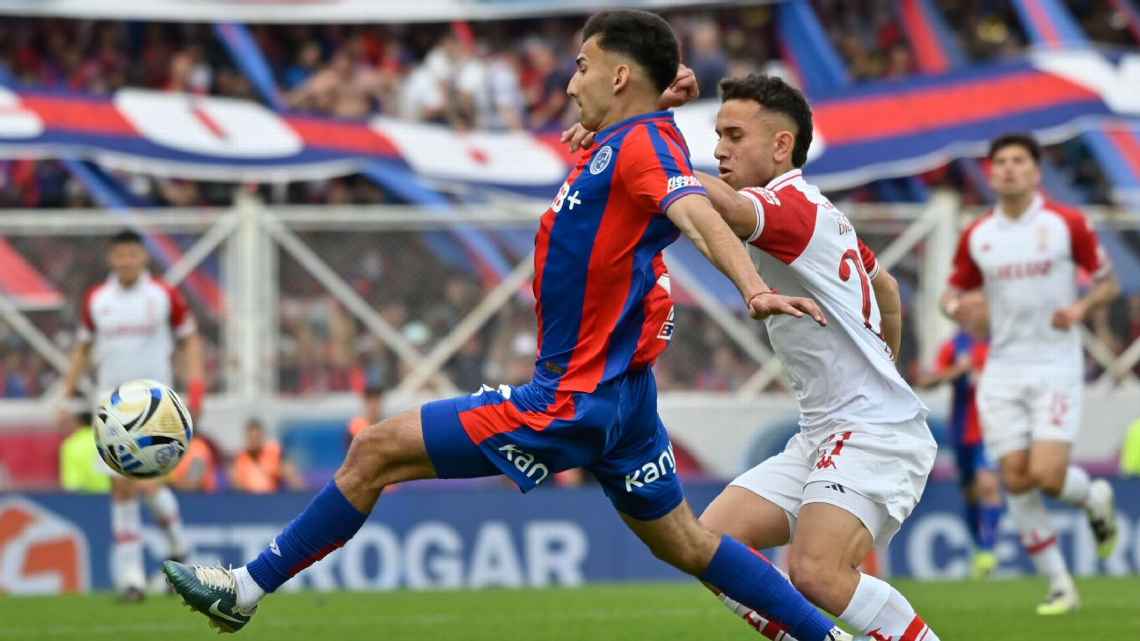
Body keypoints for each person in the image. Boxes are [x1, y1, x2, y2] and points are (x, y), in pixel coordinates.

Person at [163, 12, 860, 641]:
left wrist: (752, 285)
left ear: (618, 75)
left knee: (375, 450)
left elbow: (694, 211)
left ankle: (246, 589)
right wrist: (641, 107)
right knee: (685, 541)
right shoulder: (627, 139)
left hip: (571, 396)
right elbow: (643, 160)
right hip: (626, 397)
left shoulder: (644, 148)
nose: (568, 83)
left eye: (583, 66)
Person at [564, 72, 942, 641]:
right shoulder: (820, 215)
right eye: (718, 135)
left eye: (734, 135)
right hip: (828, 431)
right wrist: (886, 363)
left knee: (817, 572)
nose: (719, 149)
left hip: (870, 431)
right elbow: (885, 289)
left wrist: (640, 158)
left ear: (781, 145)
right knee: (709, 542)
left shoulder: (789, 207)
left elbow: (734, 212)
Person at [941, 133, 1119, 615]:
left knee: (1046, 473)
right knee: (1016, 479)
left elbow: (1109, 283)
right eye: (1000, 162)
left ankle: (1095, 497)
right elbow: (951, 293)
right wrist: (960, 309)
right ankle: (1061, 586)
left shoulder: (1066, 224)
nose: (1009, 169)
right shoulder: (979, 235)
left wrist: (1082, 306)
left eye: (1019, 161)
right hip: (1000, 370)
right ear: (991, 172)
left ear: (1036, 172)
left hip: (1055, 366)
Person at [59, 229, 205, 602]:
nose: (126, 261)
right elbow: (83, 346)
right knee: (122, 487)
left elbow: (189, 337)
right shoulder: (97, 299)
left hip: (157, 408)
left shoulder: (162, 296)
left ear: (143, 257)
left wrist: (197, 384)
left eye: (132, 254)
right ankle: (133, 579)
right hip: (111, 409)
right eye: (120, 255)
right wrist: (67, 391)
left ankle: (177, 554)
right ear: (112, 258)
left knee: (147, 485)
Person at [915, 292, 1003, 579]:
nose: (975, 311)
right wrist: (957, 371)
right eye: (970, 306)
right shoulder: (955, 346)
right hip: (963, 429)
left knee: (988, 485)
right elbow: (927, 381)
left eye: (980, 305)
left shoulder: (1002, 342)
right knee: (971, 492)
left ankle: (988, 552)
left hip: (992, 429)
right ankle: (980, 547)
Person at [231, 418, 305, 494]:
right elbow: (237, 485)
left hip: (272, 498)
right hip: (249, 500)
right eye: (251, 438)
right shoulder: (240, 459)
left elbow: (293, 478)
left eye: (256, 437)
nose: (254, 441)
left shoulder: (274, 453)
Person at [59, 410, 111, 493]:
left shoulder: (70, 444)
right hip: (105, 492)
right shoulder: (103, 441)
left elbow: (70, 477)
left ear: (78, 422)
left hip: (81, 495)